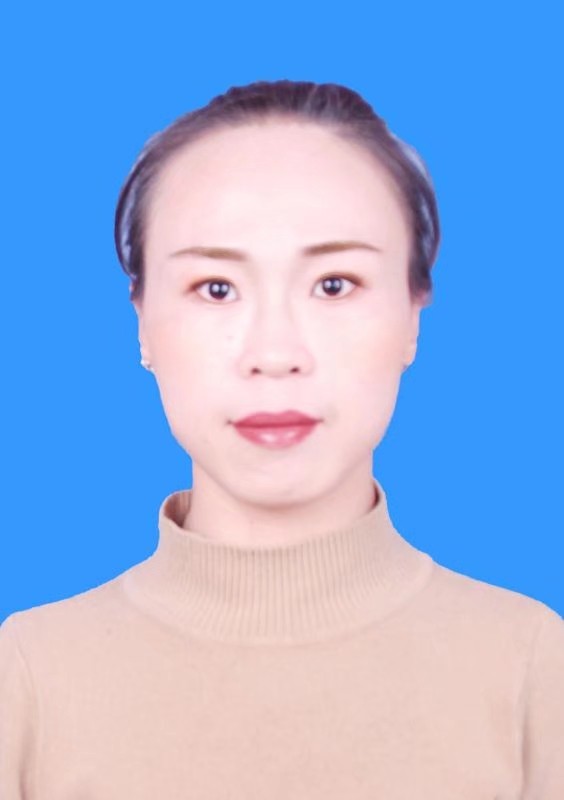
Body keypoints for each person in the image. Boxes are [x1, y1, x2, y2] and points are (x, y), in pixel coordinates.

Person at [1, 79, 562, 798]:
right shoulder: (27, 676)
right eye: (216, 288)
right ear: (141, 320)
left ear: (413, 312)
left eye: (334, 285)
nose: (273, 353)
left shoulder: (531, 666)